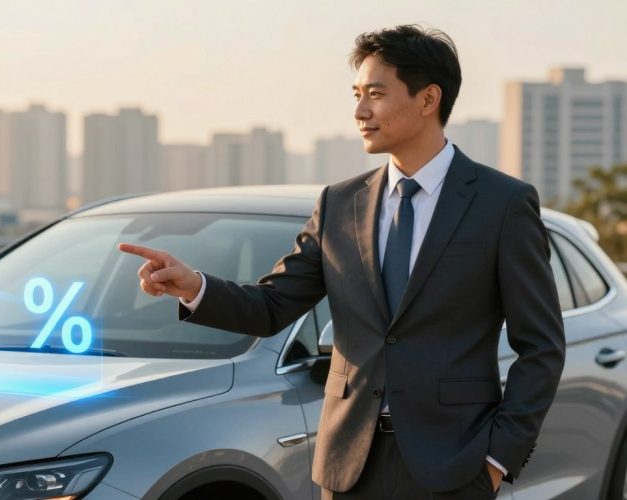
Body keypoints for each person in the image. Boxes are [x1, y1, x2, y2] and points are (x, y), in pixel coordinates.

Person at [118, 24, 565, 499]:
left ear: (428, 99)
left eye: (375, 94)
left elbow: (541, 347)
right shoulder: (339, 204)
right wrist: (193, 286)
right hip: (349, 467)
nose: (360, 111)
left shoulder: (502, 204)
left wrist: (497, 459)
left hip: (456, 466)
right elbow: (272, 307)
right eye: (356, 94)